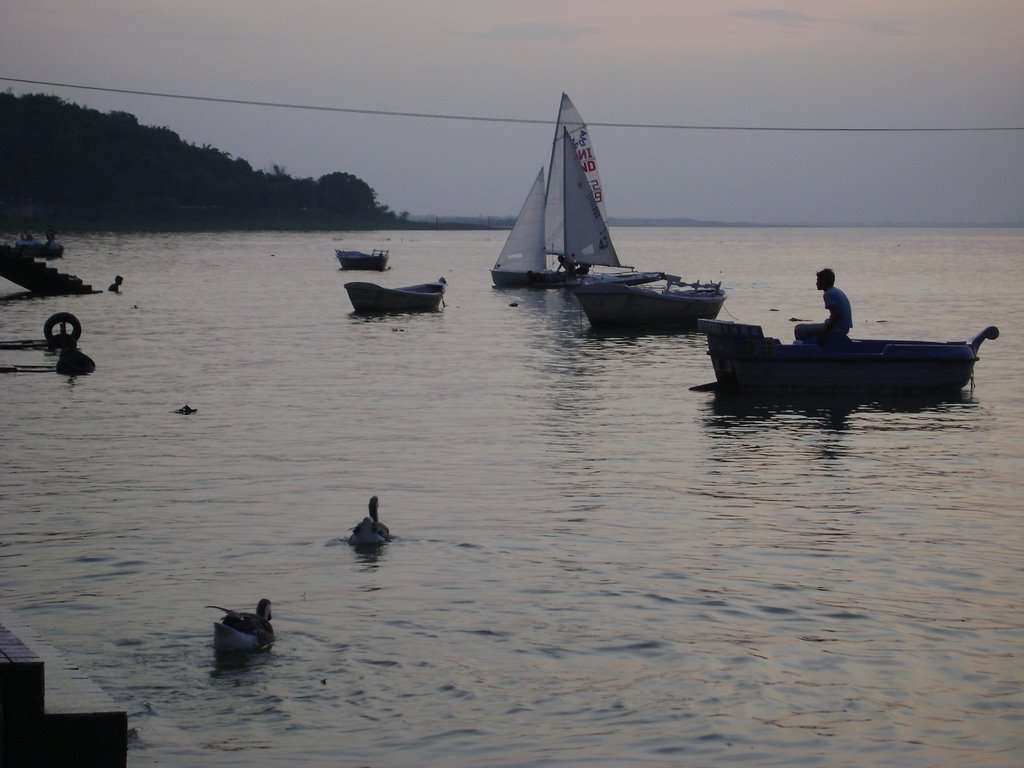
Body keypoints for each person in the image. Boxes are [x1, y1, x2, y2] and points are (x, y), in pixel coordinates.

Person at [794, 268, 852, 345]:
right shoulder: (836, 291)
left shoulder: (828, 294)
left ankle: (805, 347)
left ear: (824, 281)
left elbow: (836, 315)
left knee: (799, 329)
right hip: (844, 328)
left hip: (837, 329)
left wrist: (825, 333)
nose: (816, 283)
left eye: (818, 280)